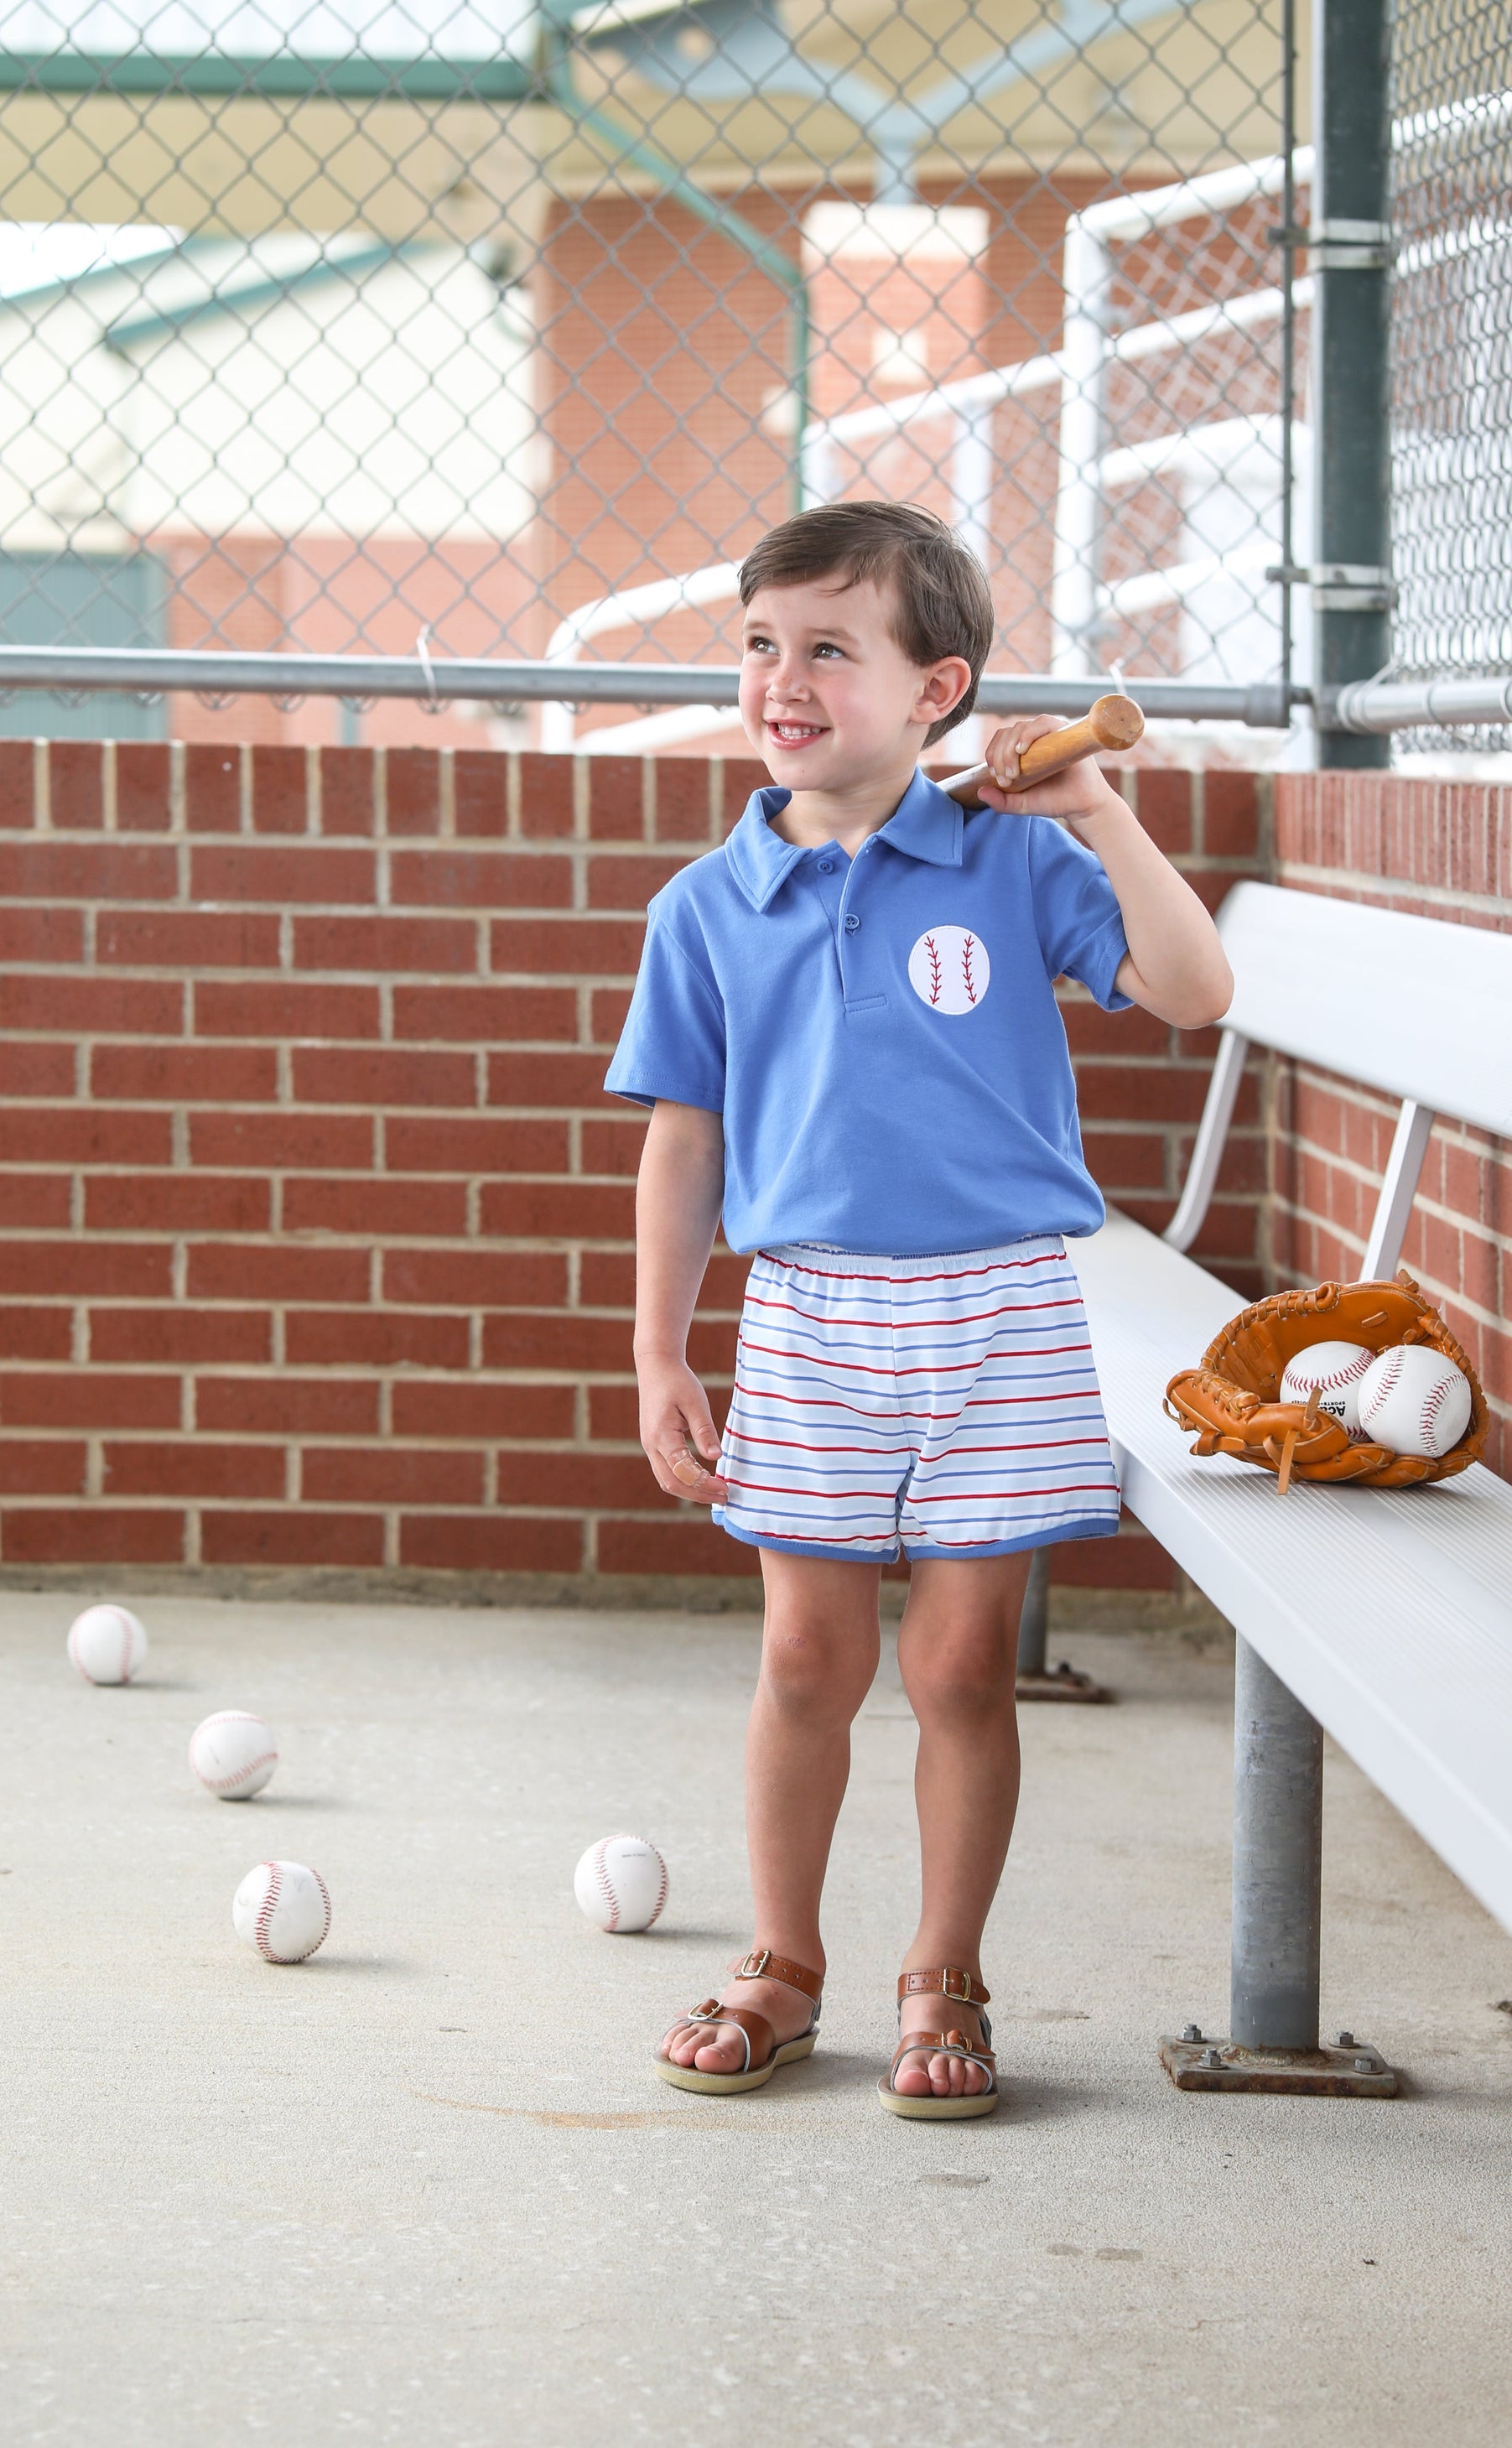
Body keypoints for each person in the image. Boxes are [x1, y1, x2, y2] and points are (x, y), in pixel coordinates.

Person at [603, 501, 1232, 2118]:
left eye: (830, 647)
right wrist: (661, 1347)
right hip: (810, 1318)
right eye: (759, 644)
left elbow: (1193, 988)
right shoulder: (706, 905)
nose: (783, 679)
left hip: (1003, 1312)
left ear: (935, 687)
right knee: (806, 1662)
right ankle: (785, 1961)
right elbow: (685, 1141)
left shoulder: (1017, 858)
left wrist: (1095, 808)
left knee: (959, 1672)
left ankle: (943, 1972)